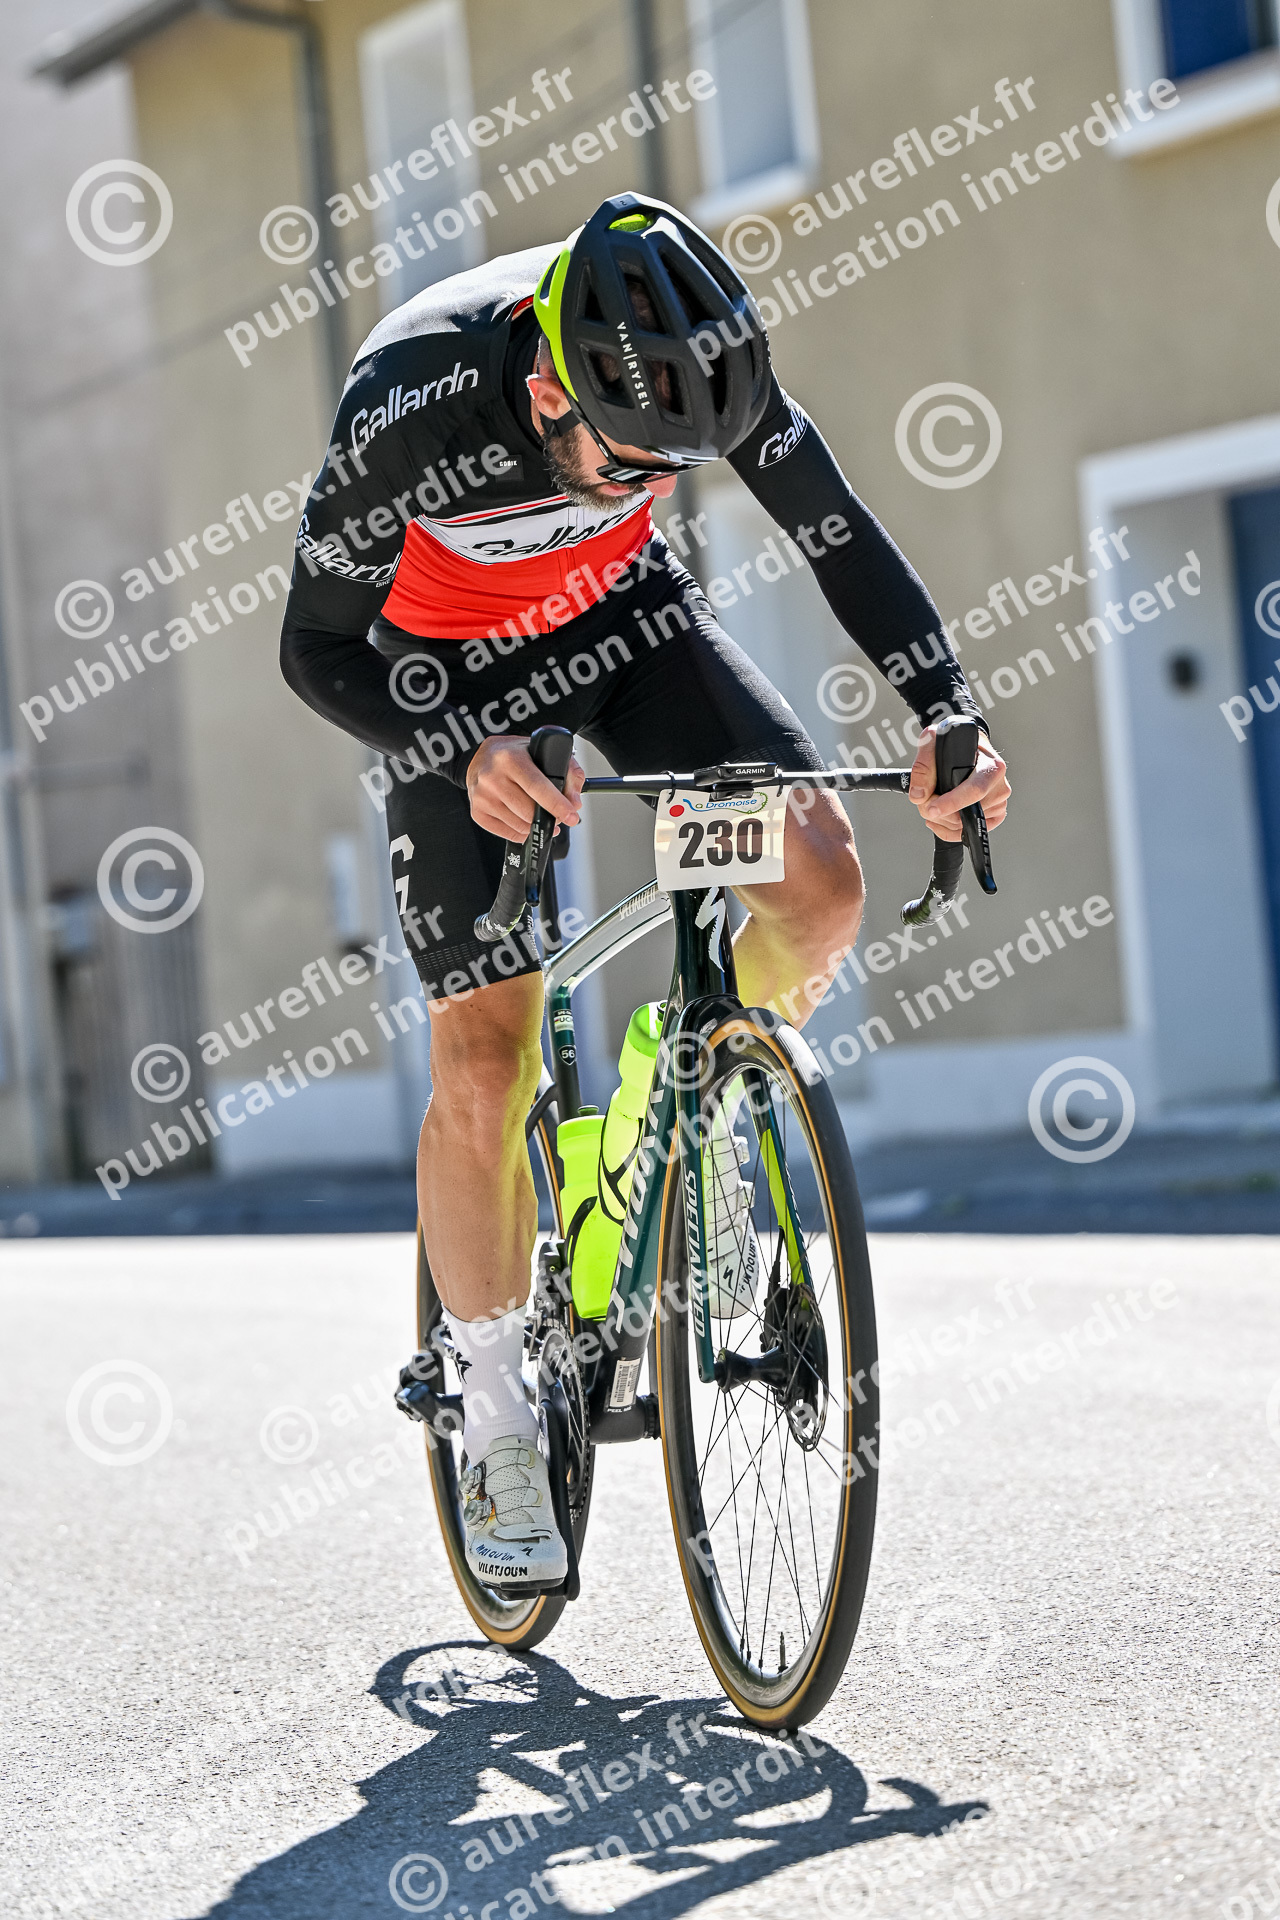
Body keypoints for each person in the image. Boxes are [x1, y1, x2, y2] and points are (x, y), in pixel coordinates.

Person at [280, 192, 1010, 1589]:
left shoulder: (706, 367)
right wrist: (463, 750)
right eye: (627, 460)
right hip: (442, 679)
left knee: (819, 882)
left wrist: (946, 712)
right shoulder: (413, 406)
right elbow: (315, 651)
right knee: (486, 1052)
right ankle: (493, 1404)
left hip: (625, 624)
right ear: (549, 388)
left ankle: (702, 1107)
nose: (646, 479)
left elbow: (836, 532)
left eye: (672, 466)